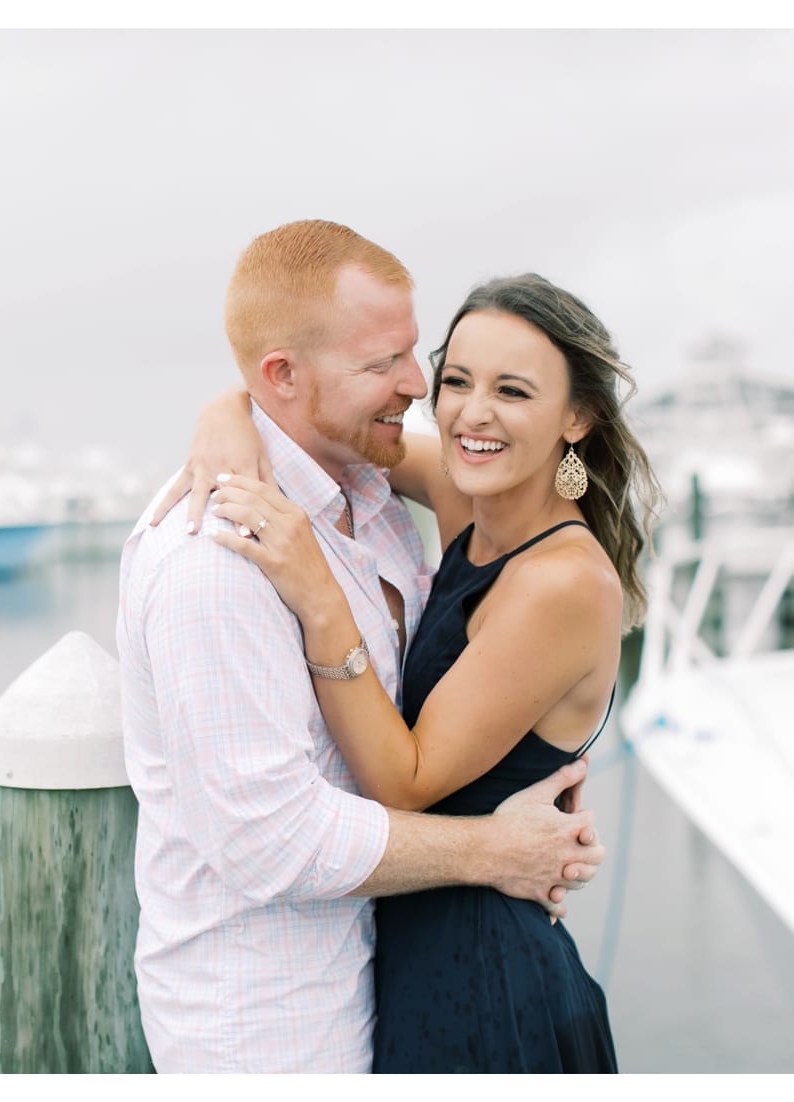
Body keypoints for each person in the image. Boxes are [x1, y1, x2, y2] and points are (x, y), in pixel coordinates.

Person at [116, 221, 607, 1074]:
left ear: (577, 417)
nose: (425, 393)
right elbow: (269, 837)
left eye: (418, 359)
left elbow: (402, 776)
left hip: (453, 972)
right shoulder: (221, 560)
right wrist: (227, 410)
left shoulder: (381, 500)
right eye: (404, 368)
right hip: (271, 1033)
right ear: (283, 376)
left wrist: (316, 591)